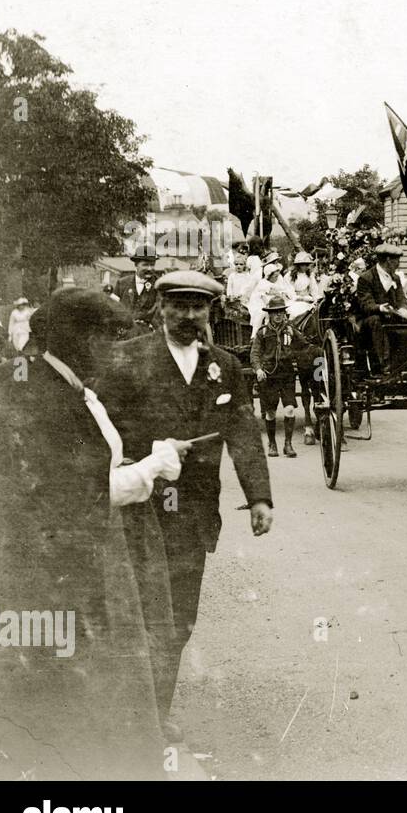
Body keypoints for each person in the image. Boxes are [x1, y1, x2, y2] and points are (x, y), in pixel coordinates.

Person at [0, 288, 185, 779]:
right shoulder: (31, 387)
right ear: (80, 340)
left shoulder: (62, 384)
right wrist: (149, 470)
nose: (116, 350)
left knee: (53, 698)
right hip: (47, 573)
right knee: (49, 700)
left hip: (63, 568)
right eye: (109, 338)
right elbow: (67, 494)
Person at [96, 271, 273, 741]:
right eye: (179, 306)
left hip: (193, 513)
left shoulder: (225, 366)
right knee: (144, 614)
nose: (189, 315)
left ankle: (158, 710)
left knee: (179, 620)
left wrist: (259, 497)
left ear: (210, 311)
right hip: (142, 508)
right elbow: (104, 434)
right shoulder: (127, 358)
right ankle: (139, 715)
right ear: (160, 307)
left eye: (198, 307)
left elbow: (243, 433)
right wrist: (150, 453)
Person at [251, 294, 314, 457]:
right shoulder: (263, 333)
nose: (278, 315)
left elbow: (305, 346)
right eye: (275, 312)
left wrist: (318, 353)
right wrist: (258, 369)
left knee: (290, 410)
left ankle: (288, 444)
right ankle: (272, 444)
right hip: (269, 376)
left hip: (287, 375)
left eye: (281, 312)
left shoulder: (291, 330)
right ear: (269, 314)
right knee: (271, 412)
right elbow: (255, 353)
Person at [356, 243, 407, 368]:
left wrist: (404, 309)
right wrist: (380, 308)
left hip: (391, 317)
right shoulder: (366, 278)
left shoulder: (395, 278)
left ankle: (404, 362)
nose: (398, 264)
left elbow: (402, 298)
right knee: (376, 321)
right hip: (369, 319)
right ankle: (383, 363)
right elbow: (365, 304)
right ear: (388, 260)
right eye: (397, 260)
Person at [117, 244, 161, 327]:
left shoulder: (159, 285)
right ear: (136, 265)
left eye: (152, 265)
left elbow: (158, 313)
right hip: (123, 331)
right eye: (145, 265)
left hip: (148, 332)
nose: (149, 268)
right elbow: (113, 307)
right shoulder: (122, 283)